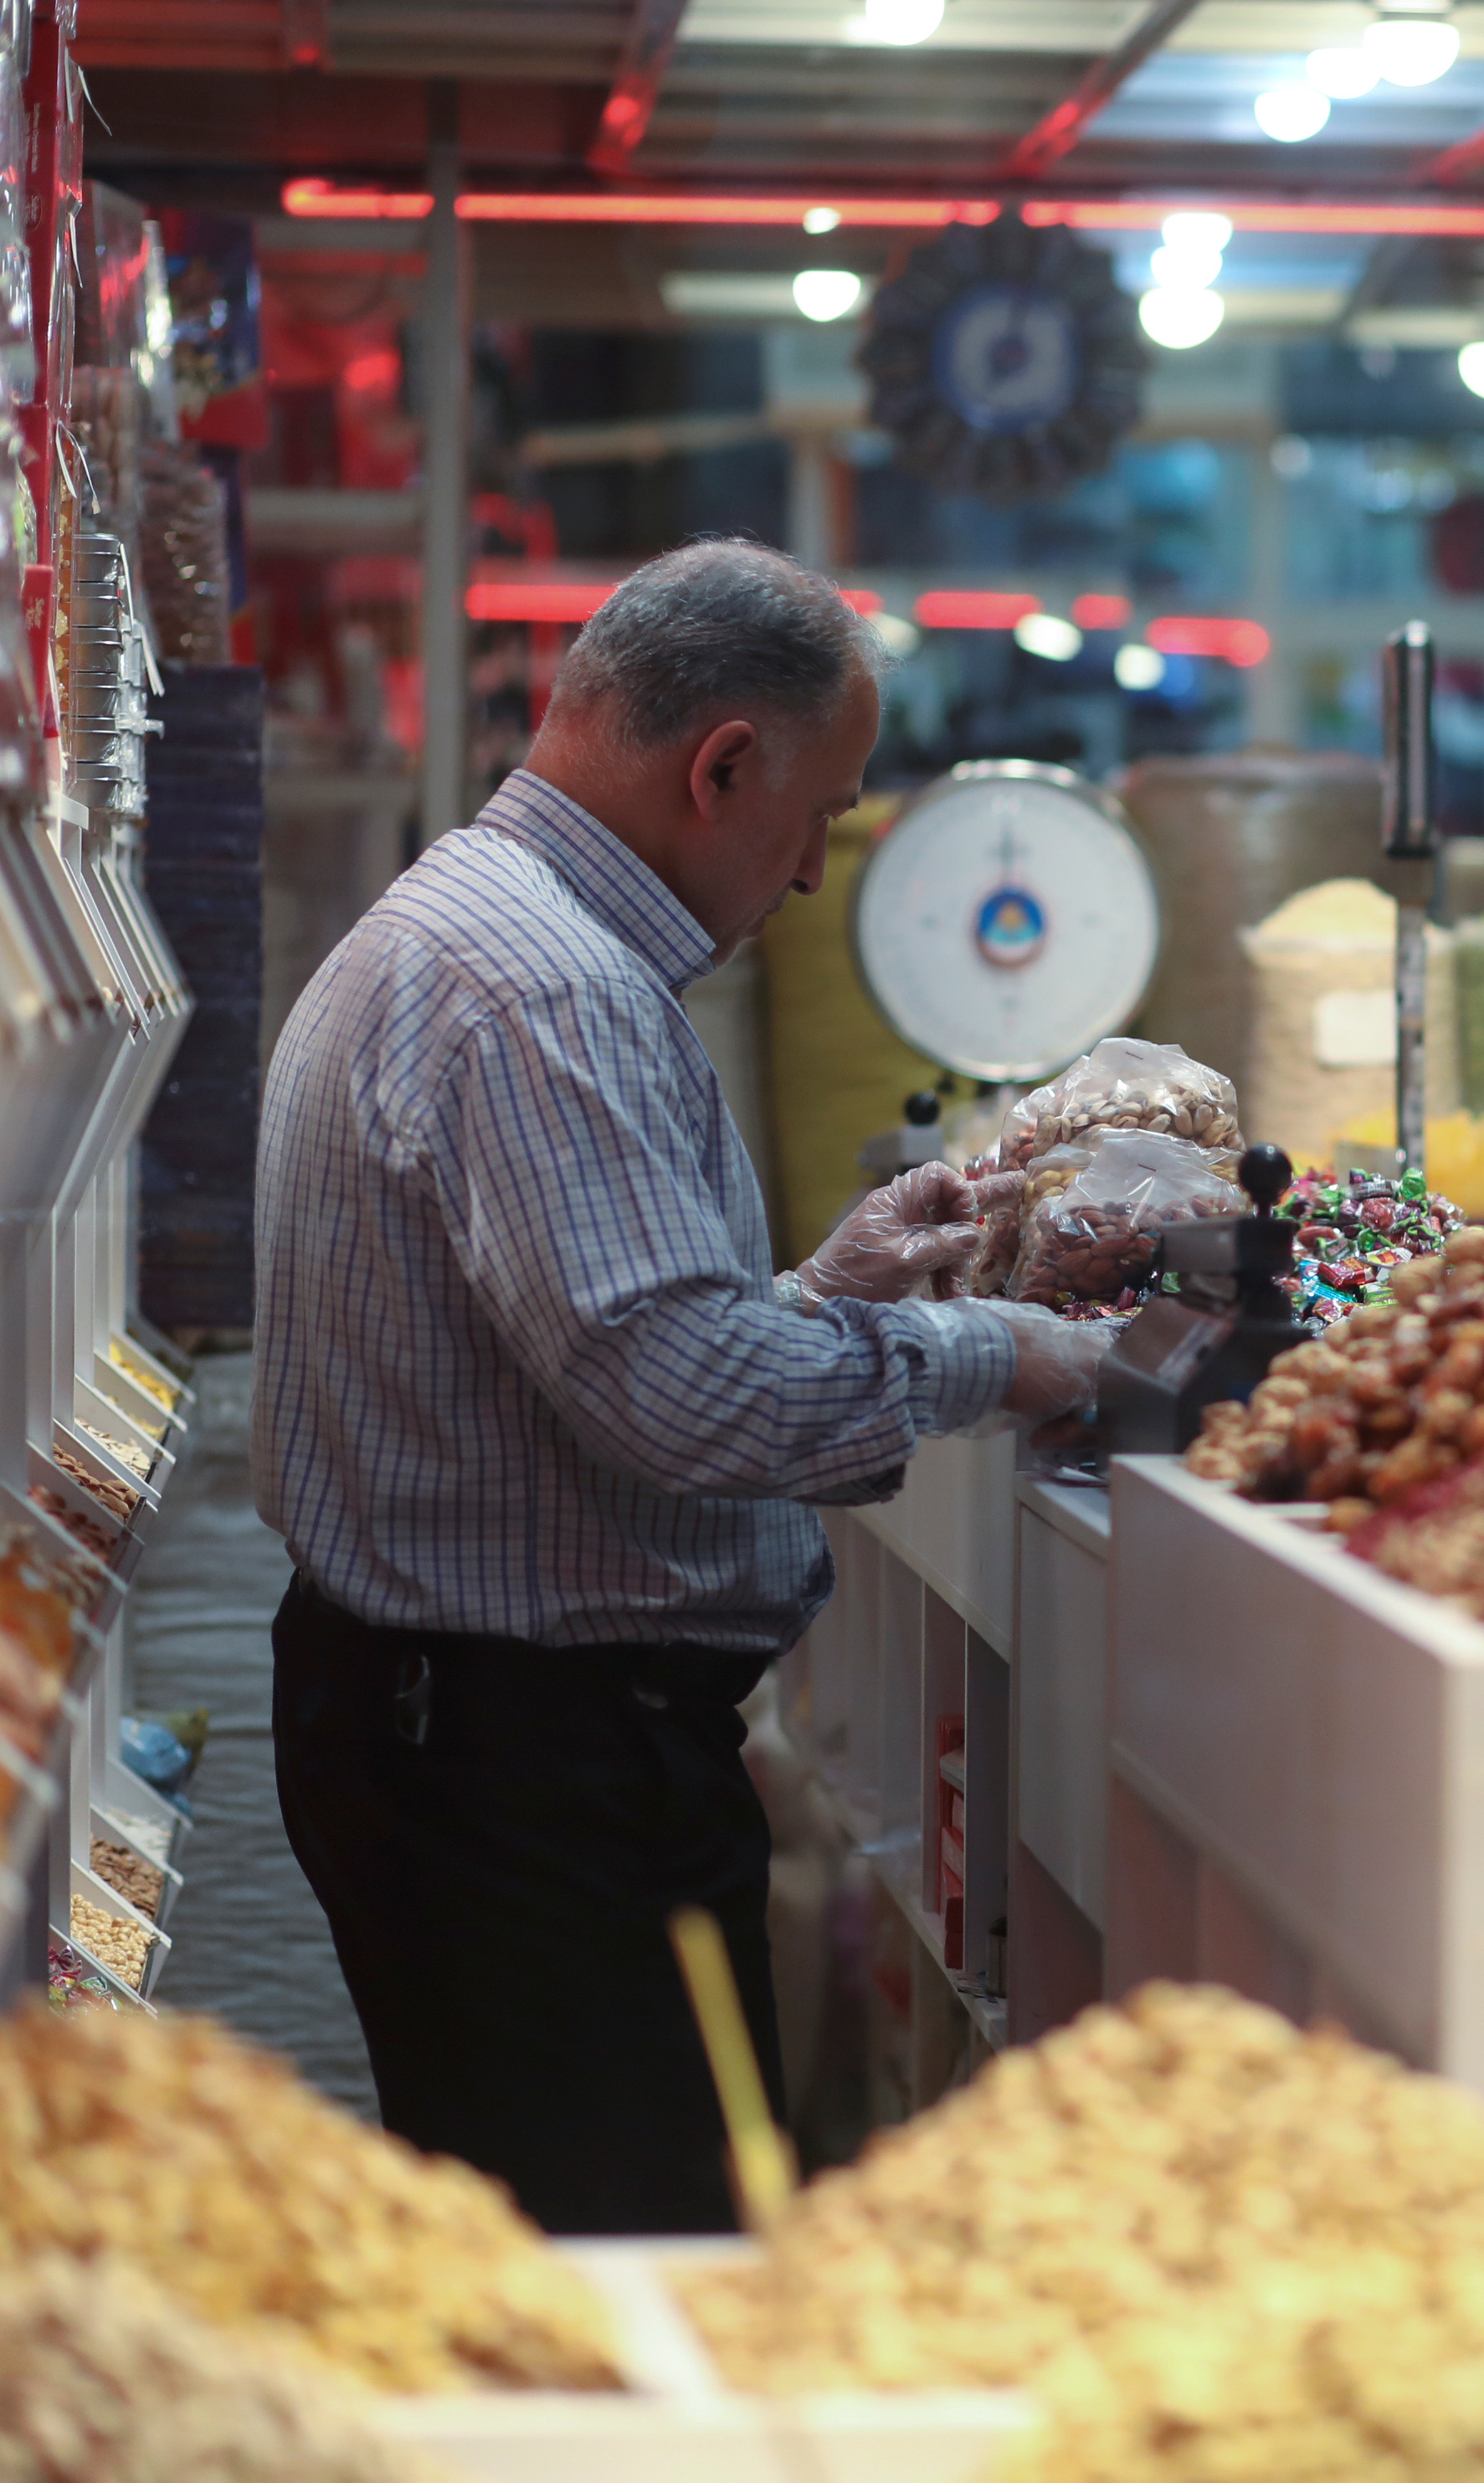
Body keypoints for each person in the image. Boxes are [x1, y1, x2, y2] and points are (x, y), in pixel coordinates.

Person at [251, 540, 1111, 2234]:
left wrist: (826, 1291)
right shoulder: (545, 987)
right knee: (622, 2281)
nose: (809, 878)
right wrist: (1010, 1353)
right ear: (721, 765)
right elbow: (685, 1400)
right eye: (819, 819)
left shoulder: (489, 934)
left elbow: (582, 1360)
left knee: (574, 2261)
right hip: (527, 1775)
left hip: (473, 1737)